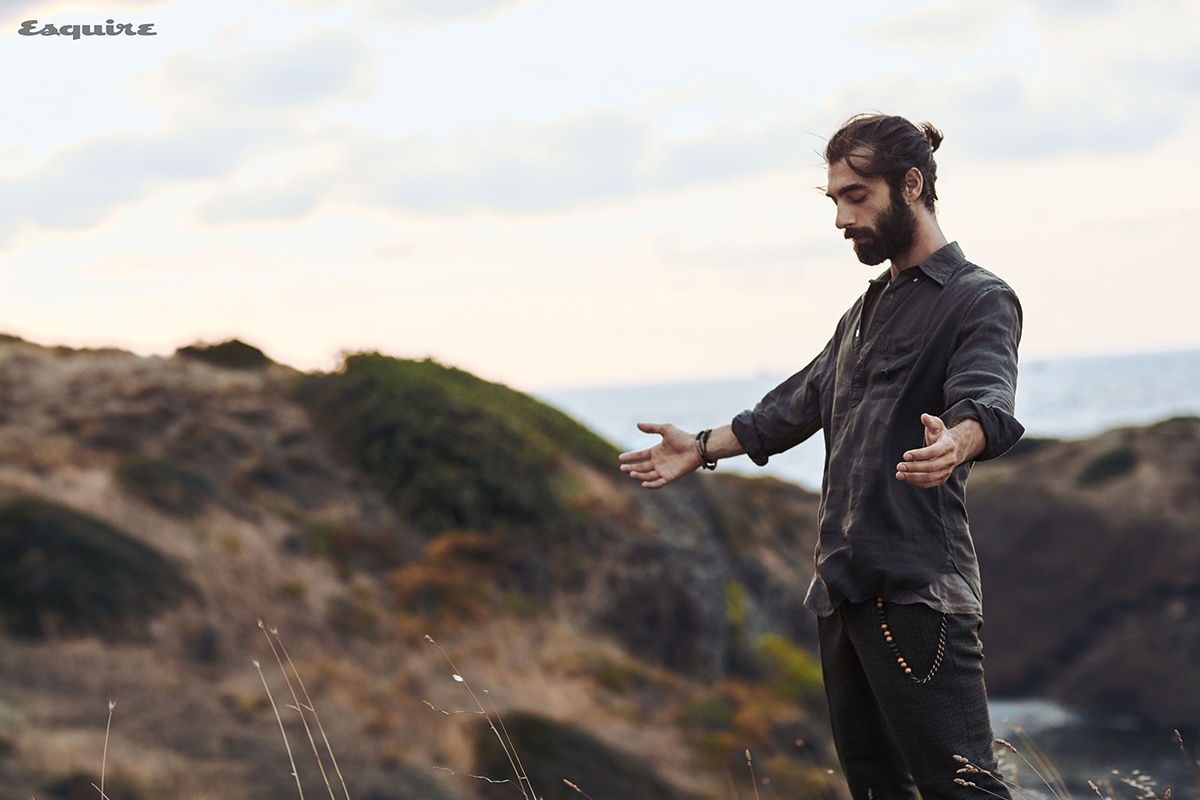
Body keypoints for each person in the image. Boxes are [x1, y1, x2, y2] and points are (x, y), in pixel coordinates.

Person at [619, 113, 1022, 800]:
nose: (840, 217)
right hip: (842, 598)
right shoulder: (861, 315)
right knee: (874, 790)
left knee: (963, 792)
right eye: (833, 199)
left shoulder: (978, 299)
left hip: (919, 595)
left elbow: (986, 397)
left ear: (912, 185)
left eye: (856, 196)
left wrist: (958, 442)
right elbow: (793, 407)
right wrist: (704, 446)